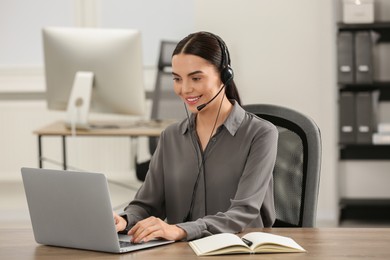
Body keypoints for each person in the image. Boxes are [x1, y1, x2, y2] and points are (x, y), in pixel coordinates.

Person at [114, 31, 278, 243]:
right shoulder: (171, 137)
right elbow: (146, 204)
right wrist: (125, 220)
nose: (185, 89)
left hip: (239, 250)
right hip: (182, 252)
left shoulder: (260, 134)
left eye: (196, 78)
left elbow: (243, 212)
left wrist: (181, 230)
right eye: (177, 79)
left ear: (224, 75)